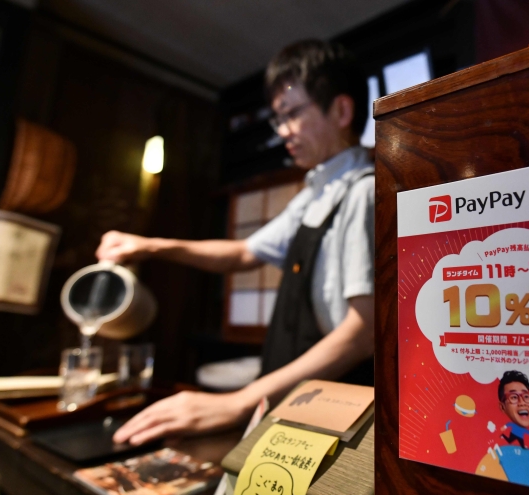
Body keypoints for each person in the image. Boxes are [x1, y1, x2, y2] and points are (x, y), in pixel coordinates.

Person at [105, 40, 375, 445]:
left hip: (341, 403)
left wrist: (238, 403)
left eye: (292, 114)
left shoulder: (363, 191)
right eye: (278, 119)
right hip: (299, 397)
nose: (282, 131)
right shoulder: (314, 196)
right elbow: (243, 253)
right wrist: (149, 246)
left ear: (341, 111)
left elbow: (363, 332)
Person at [498, 370, 529, 449]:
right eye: (514, 397)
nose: (522, 403)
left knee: (521, 445)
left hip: (519, 437)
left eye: (526, 396)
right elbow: (509, 424)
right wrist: (504, 427)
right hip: (513, 437)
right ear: (502, 407)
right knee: (511, 441)